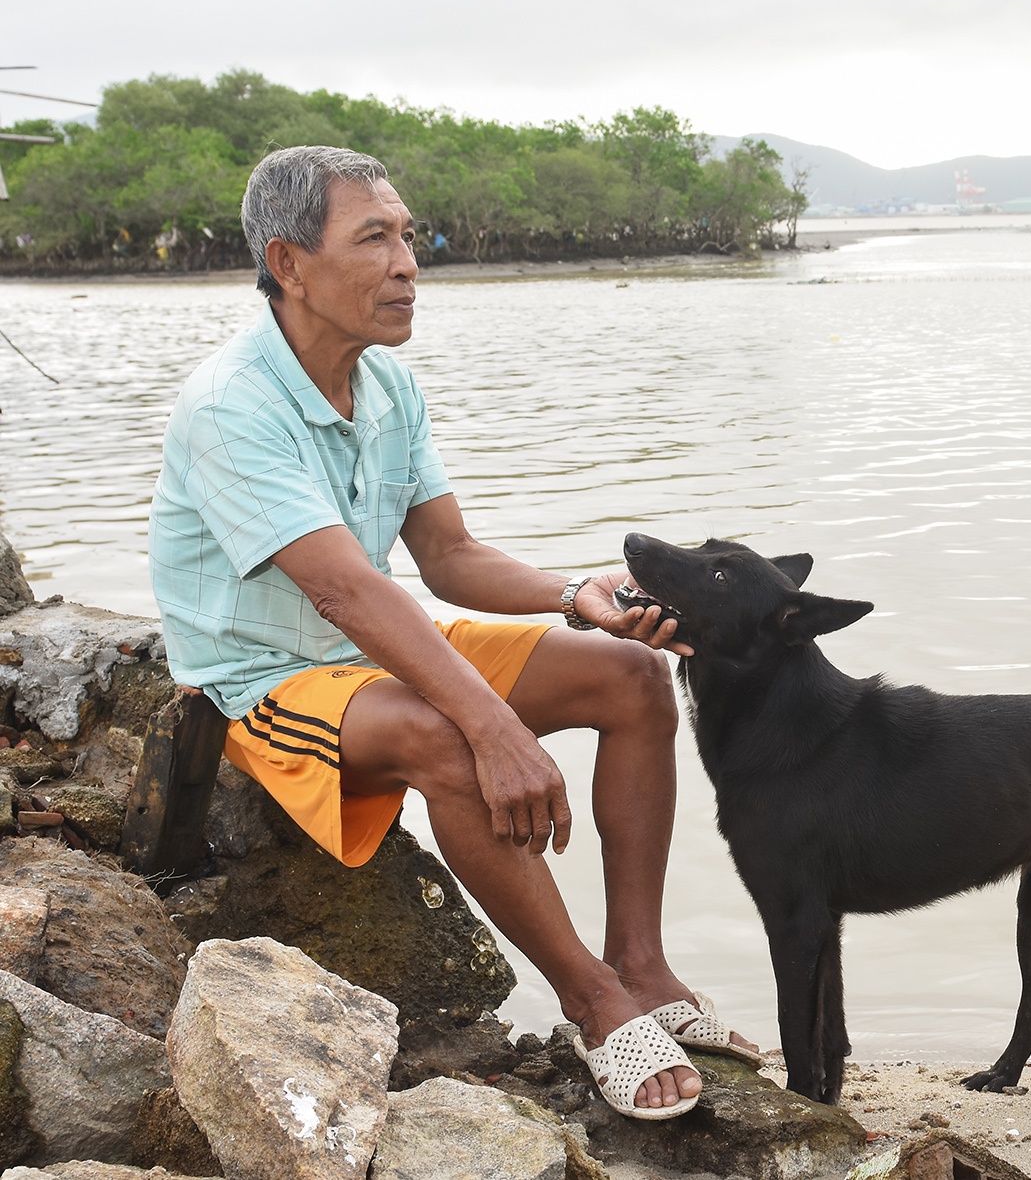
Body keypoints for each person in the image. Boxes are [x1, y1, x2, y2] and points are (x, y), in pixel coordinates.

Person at [147, 145, 756, 1120]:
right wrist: (493, 726)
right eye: (374, 239)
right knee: (449, 736)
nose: (408, 263)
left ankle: (640, 965)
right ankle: (594, 1006)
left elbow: (446, 557)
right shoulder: (231, 406)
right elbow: (347, 592)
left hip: (374, 651)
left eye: (408, 235)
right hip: (265, 683)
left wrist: (573, 594)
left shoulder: (387, 386)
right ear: (289, 263)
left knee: (631, 677)